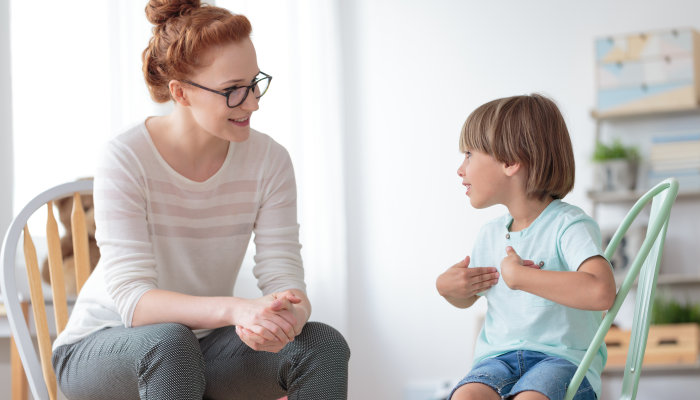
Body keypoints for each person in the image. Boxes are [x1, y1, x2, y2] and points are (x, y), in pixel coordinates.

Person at [51, 1, 349, 399]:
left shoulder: (269, 160)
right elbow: (134, 301)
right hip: (102, 347)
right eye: (232, 91)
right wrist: (235, 309)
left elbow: (284, 275)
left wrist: (285, 316)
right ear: (181, 93)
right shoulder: (125, 156)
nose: (253, 102)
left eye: (254, 82)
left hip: (201, 347)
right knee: (171, 344)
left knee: (321, 346)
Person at [436, 94, 616, 400]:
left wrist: (522, 278)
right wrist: (449, 288)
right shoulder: (490, 233)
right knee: (465, 396)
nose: (460, 169)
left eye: (469, 154)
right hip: (497, 360)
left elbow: (601, 291)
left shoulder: (568, 224)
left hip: (562, 363)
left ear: (510, 162)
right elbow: (470, 298)